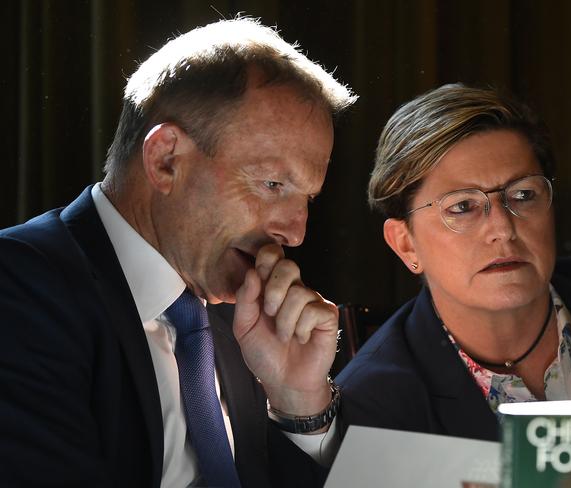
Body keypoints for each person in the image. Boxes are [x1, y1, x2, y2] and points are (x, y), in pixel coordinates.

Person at [0, 18, 356, 487]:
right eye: (273, 184)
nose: (295, 231)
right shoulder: (19, 289)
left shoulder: (248, 318)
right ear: (165, 159)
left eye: (306, 198)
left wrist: (298, 403)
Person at [336, 83, 571, 441]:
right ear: (406, 244)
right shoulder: (375, 405)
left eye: (523, 194)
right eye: (463, 207)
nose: (503, 228)